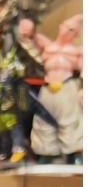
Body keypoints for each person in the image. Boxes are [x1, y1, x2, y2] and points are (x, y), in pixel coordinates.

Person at [18, 13, 83, 162]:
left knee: (69, 122)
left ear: (76, 34)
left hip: (66, 88)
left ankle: (72, 154)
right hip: (47, 89)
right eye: (66, 27)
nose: (67, 31)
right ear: (61, 27)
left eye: (72, 30)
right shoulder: (48, 46)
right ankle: (47, 154)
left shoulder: (77, 52)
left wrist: (82, 89)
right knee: (44, 121)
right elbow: (31, 37)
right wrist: (28, 28)